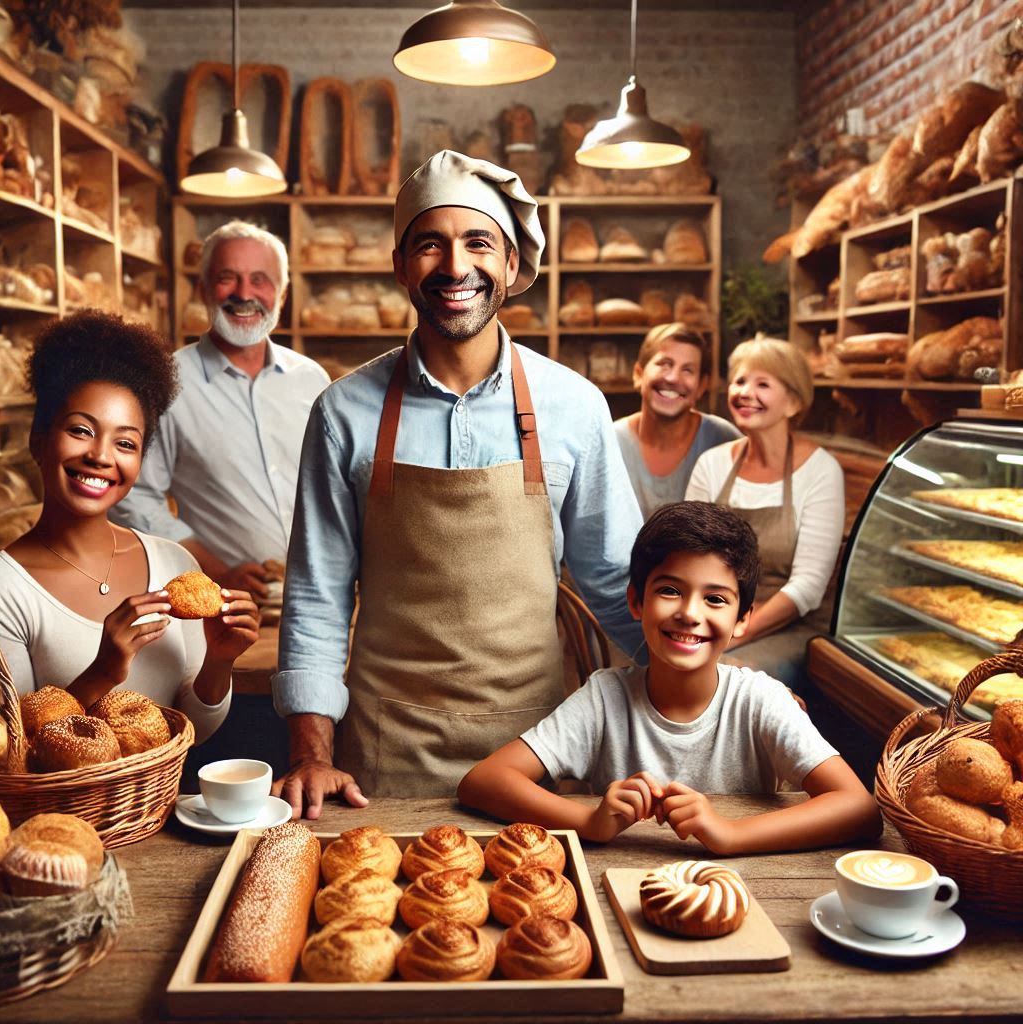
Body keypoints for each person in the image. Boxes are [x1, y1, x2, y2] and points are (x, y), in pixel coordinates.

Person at [272, 150, 645, 814]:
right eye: (429, 245)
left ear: (510, 264)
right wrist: (311, 756)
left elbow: (617, 582)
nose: (455, 267)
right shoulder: (343, 411)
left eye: (478, 242)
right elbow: (318, 600)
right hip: (385, 756)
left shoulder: (575, 405)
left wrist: (716, 686)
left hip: (537, 751)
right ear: (400, 267)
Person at [458, 502, 880, 852]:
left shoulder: (760, 700)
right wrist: (590, 820)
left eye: (715, 598)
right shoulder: (605, 699)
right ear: (636, 601)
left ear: (741, 620)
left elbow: (859, 809)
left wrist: (729, 832)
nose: (690, 613)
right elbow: (484, 781)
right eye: (670, 590)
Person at [0, 310, 260, 742]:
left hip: (163, 803)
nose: (101, 456)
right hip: (61, 811)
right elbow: (14, 753)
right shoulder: (8, 587)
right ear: (39, 439)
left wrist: (220, 659)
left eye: (125, 443)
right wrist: (101, 673)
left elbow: (196, 732)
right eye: (81, 430)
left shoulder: (173, 562)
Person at [112, 221, 330, 601]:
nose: (244, 293)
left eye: (260, 279)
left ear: (282, 294)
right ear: (202, 290)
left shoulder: (311, 379)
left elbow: (334, 486)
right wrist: (213, 571)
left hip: (321, 597)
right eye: (227, 278)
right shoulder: (166, 384)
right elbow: (134, 495)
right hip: (223, 605)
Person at [685, 337, 844, 685]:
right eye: (740, 381)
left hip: (789, 628)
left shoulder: (820, 471)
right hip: (715, 616)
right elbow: (688, 557)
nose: (745, 392)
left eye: (762, 384)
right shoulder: (711, 465)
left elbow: (808, 588)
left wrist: (730, 635)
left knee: (722, 676)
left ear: (793, 402)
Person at [614, 323, 739, 519]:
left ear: (701, 386)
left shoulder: (724, 439)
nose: (673, 378)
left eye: (688, 370)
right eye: (664, 364)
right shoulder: (611, 442)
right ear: (639, 374)